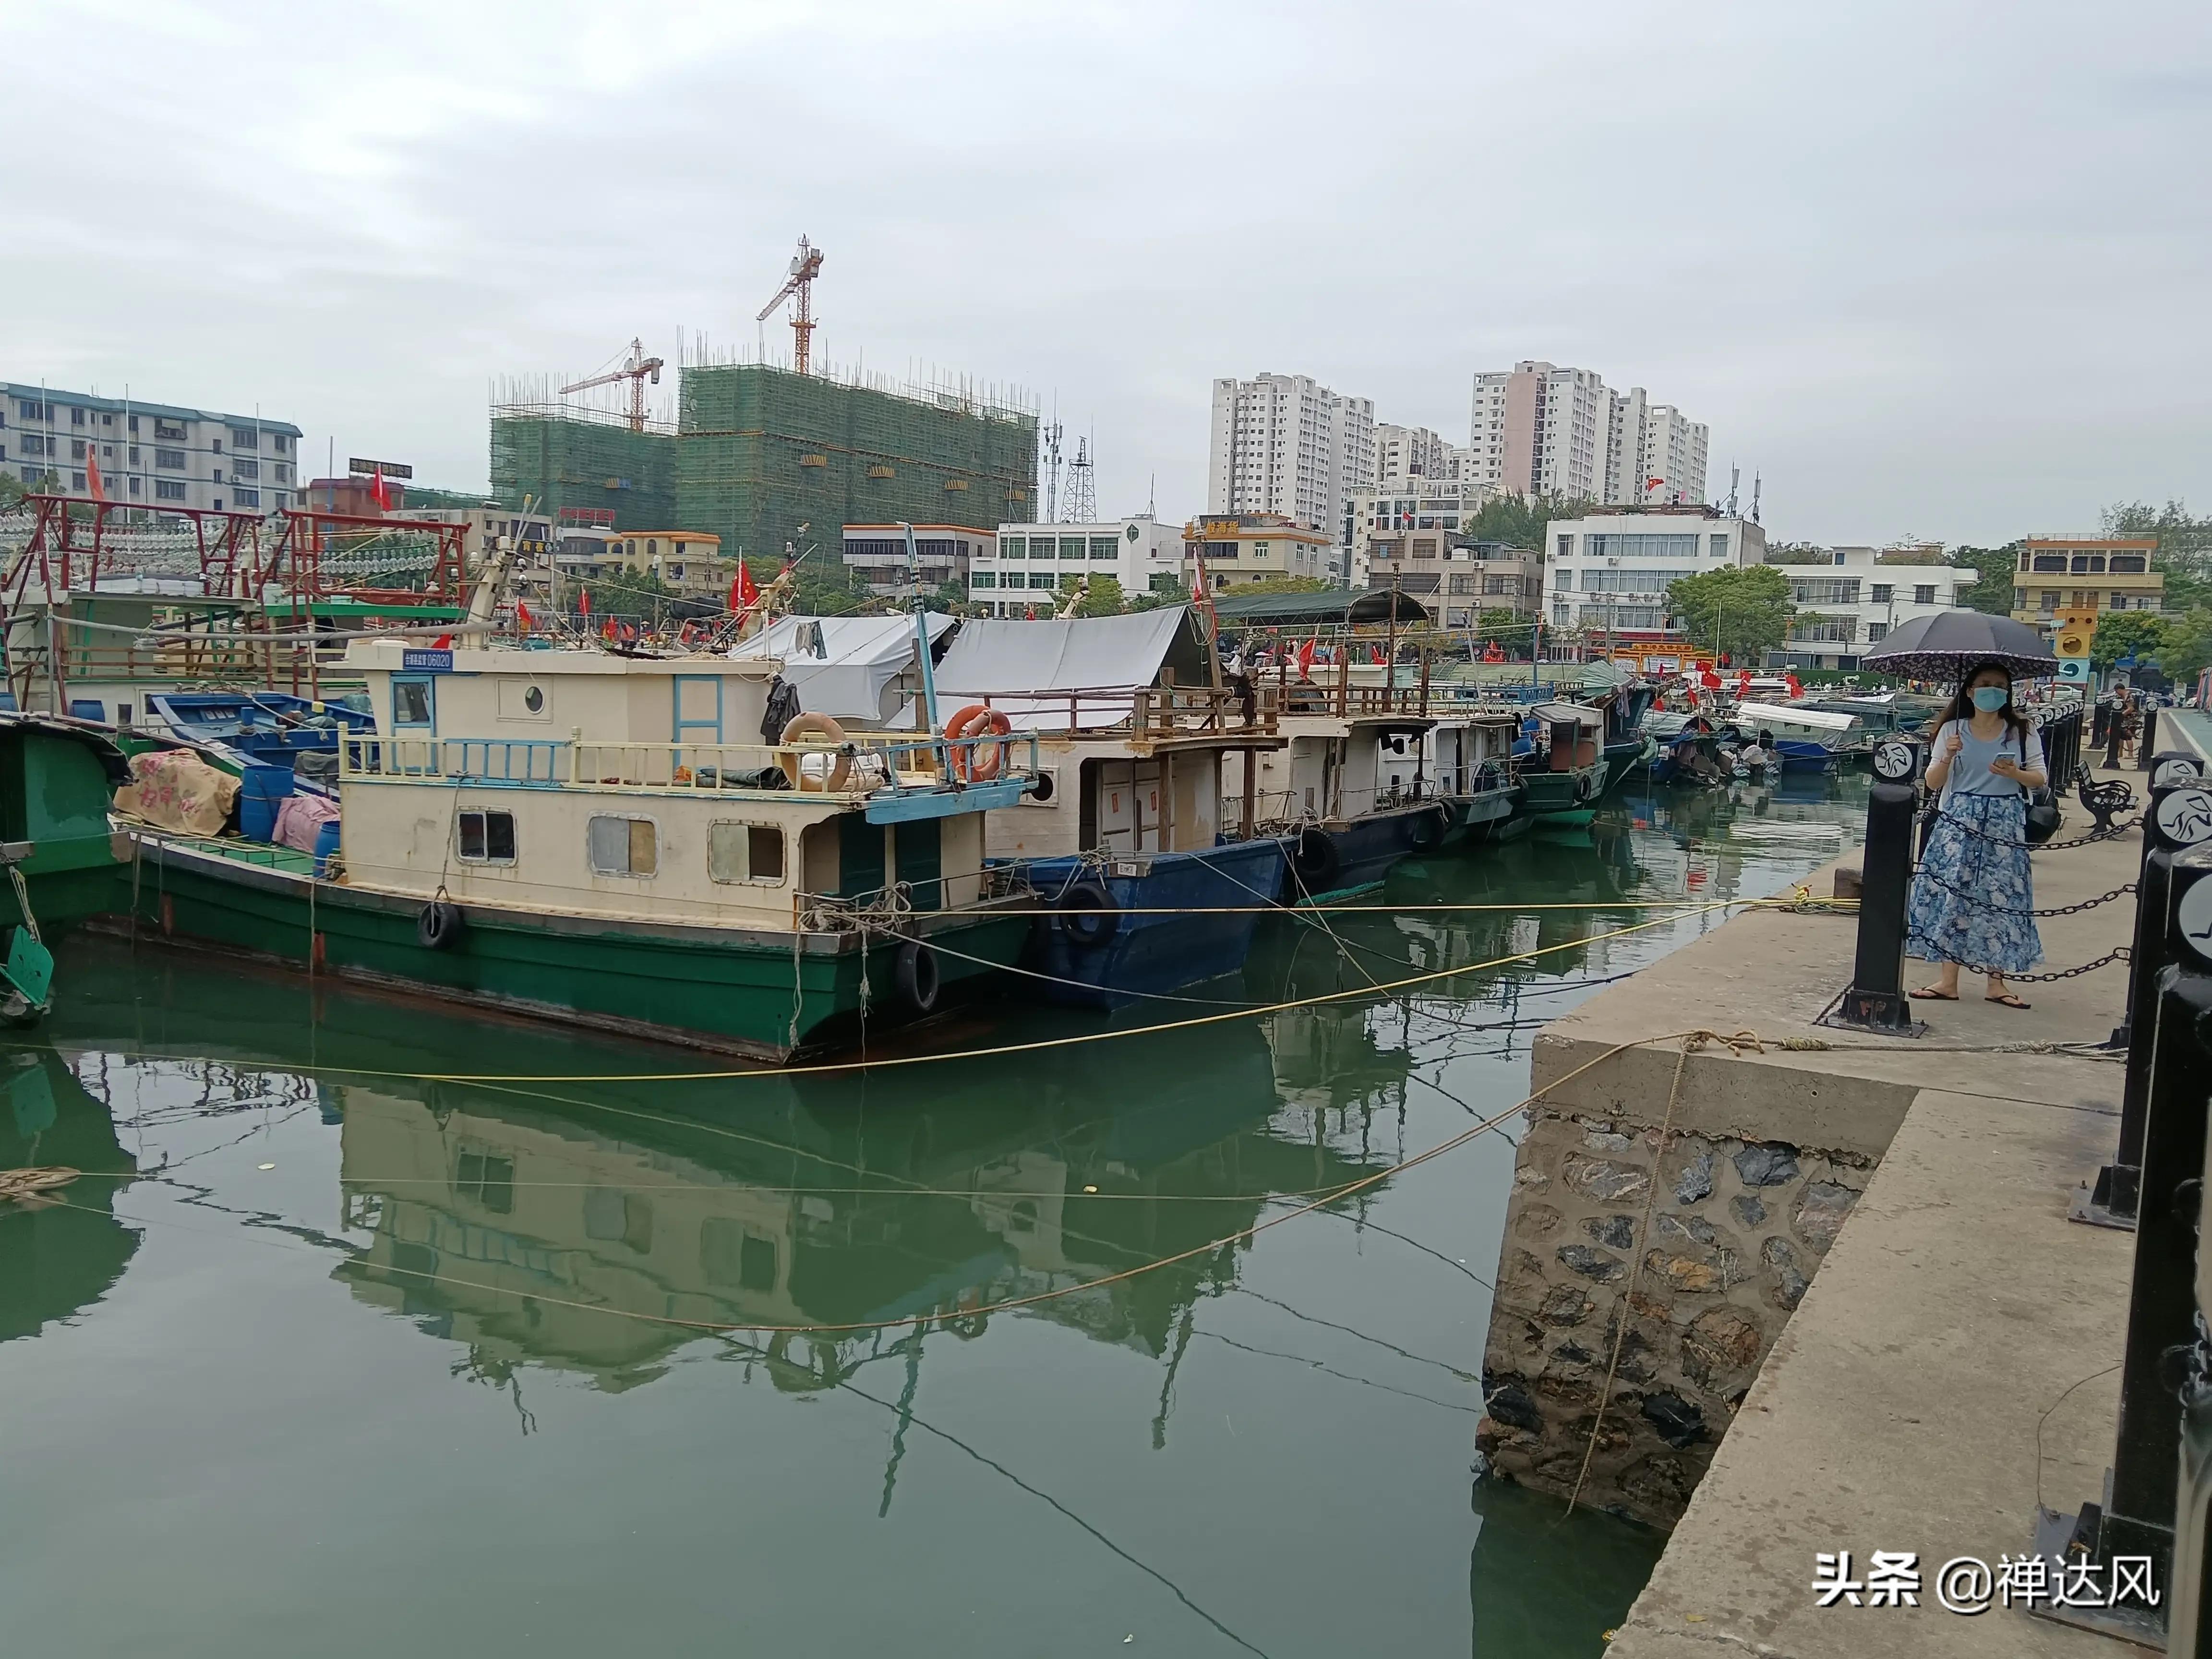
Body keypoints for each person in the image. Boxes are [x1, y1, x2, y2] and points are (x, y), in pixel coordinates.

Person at [1906, 661, 2048, 1009]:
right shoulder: (1952, 731)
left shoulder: (2023, 731)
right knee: (1953, 894)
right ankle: (1948, 980)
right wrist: (1949, 755)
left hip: (2005, 819)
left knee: (2002, 898)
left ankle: (1997, 983)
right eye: (1985, 684)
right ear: (1969, 691)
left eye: (2000, 685)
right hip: (1960, 819)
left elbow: (2040, 778)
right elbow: (1933, 783)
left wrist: (2015, 772)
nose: (1993, 691)